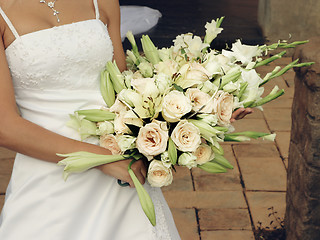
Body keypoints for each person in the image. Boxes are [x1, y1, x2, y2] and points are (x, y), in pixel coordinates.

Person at [0, 0, 251, 239]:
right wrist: (101, 159)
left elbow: (126, 92)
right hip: (50, 177)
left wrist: (206, 107)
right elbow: (5, 127)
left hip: (120, 169)